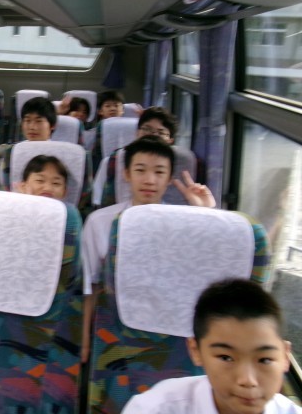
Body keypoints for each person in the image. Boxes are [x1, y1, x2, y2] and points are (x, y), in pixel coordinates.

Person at [81, 136, 216, 362]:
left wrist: (205, 214)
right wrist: (85, 342)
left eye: (159, 172)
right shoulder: (99, 222)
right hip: (113, 330)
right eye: (140, 170)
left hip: (171, 334)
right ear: (127, 174)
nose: (150, 180)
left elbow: (200, 280)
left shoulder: (185, 224)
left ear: (169, 179)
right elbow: (90, 287)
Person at [122, 278, 301, 414]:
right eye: (226, 358)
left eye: (265, 360)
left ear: (285, 357)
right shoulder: (154, 409)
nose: (247, 380)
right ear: (196, 351)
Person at [99, 106, 178, 207]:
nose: (152, 136)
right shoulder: (113, 160)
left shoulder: (183, 163)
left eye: (160, 132)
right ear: (137, 133)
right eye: (147, 129)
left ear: (170, 141)